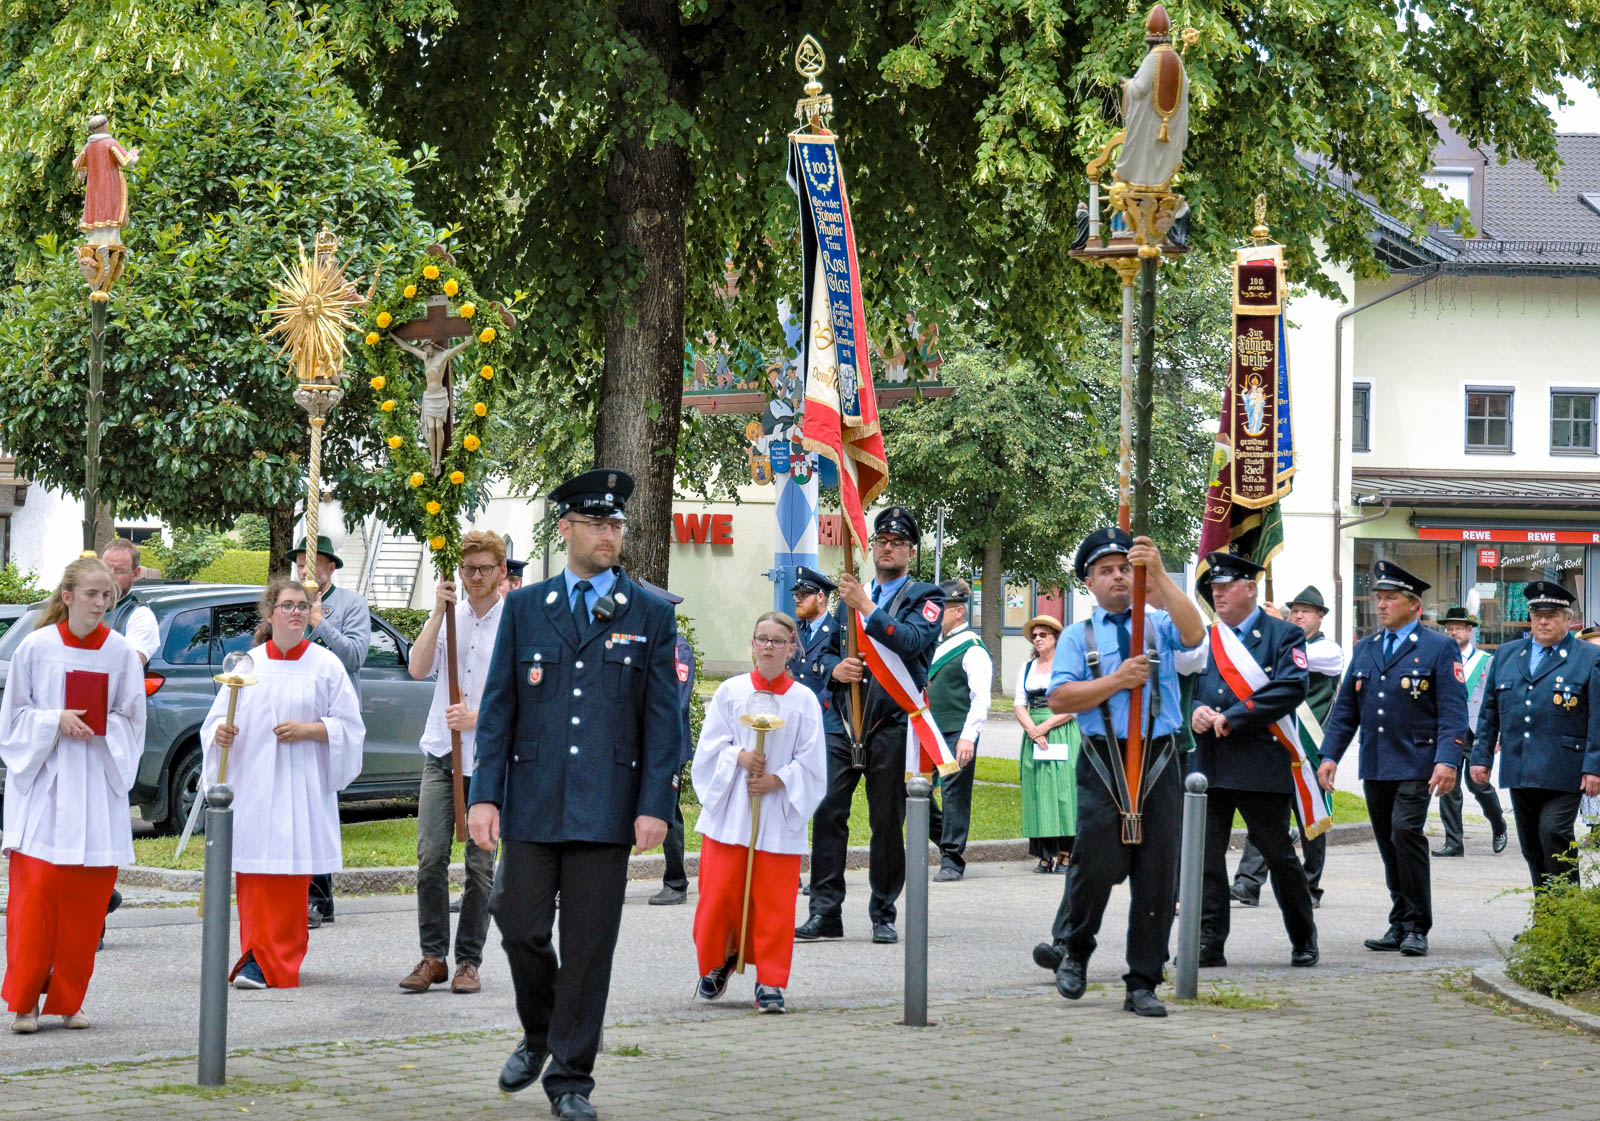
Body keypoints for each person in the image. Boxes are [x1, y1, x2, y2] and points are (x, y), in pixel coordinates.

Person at [466, 468, 679, 1121]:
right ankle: (541, 1032)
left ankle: (571, 1078)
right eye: (595, 523)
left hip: (607, 805)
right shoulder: (527, 607)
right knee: (518, 923)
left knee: (588, 945)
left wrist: (654, 803)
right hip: (532, 800)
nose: (607, 533)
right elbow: (499, 706)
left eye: (614, 523)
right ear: (567, 529)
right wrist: (484, 793)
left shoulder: (650, 611)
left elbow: (662, 718)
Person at [1046, 527, 1204, 1019]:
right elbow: (1059, 698)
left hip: (1159, 756)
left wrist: (1156, 571)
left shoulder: (1158, 622)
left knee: (1157, 873)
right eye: (1106, 571)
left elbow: (1196, 634)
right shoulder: (1077, 635)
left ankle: (1143, 980)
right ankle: (1075, 951)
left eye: (1124, 569)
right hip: (1103, 758)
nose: (1117, 578)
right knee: (1094, 864)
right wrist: (1116, 680)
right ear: (1088, 582)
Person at [1, 558, 143, 1034]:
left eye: (108, 596)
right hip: (47, 787)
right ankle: (24, 1002)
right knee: (35, 900)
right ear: (67, 596)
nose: (101, 604)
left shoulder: (121, 652)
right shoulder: (36, 648)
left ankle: (69, 999)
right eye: (92, 595)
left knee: (86, 904)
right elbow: (13, 719)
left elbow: (132, 720)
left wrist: (105, 726)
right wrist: (54, 719)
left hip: (96, 788)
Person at [201, 578, 364, 990]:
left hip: (300, 785)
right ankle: (254, 955)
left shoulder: (326, 666)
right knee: (255, 873)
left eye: (302, 606)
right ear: (270, 613)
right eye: (287, 605)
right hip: (257, 784)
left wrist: (311, 729)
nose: (295, 612)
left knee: (291, 877)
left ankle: (279, 962)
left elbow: (351, 727)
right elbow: (218, 720)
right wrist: (220, 735)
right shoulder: (247, 665)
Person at [797, 507, 943, 946]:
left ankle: (883, 911)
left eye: (898, 542)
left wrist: (867, 607)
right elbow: (818, 653)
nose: (887, 547)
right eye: (881, 540)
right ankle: (825, 912)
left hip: (891, 722)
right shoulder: (851, 597)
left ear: (911, 552)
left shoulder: (925, 596)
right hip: (844, 720)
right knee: (828, 815)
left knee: (885, 821)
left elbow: (913, 642)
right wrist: (832, 668)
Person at [1320, 560, 1467, 958]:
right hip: (1377, 762)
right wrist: (1330, 754)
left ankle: (1418, 925)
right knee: (1388, 842)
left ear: (1413, 605)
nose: (1381, 605)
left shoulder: (1439, 647)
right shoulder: (1366, 648)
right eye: (1378, 598)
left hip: (1418, 760)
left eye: (1389, 599)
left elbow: (1454, 710)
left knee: (1406, 833)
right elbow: (1346, 709)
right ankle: (1399, 919)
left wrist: (1448, 759)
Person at [691, 612, 826, 1013]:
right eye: (761, 639)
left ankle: (770, 980)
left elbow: (813, 761)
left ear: (791, 648)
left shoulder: (803, 701)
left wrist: (778, 780)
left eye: (777, 641)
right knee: (718, 897)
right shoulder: (731, 693)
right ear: (752, 645)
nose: (768, 647)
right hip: (732, 812)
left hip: (777, 814)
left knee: (773, 904)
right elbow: (710, 748)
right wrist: (740, 756)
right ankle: (718, 962)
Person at [1188, 554, 1317, 969]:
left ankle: (1303, 937)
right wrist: (1196, 711)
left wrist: (1234, 716)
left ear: (1250, 588)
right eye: (1214, 588)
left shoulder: (1283, 636)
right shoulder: (1205, 638)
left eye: (1226, 586)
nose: (1218, 594)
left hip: (1262, 761)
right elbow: (1184, 686)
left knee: (1278, 854)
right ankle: (1209, 943)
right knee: (1207, 857)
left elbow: (1290, 688)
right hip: (1210, 763)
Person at [399, 531, 506, 996]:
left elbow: (526, 695)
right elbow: (418, 669)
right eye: (468, 569)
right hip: (442, 754)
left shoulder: (515, 623)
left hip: (487, 761)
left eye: (484, 569)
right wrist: (438, 614)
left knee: (480, 867)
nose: (475, 577)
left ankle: (468, 961)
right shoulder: (451, 618)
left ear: (502, 572)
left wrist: (478, 717)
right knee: (429, 859)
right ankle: (432, 957)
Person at [1471, 582, 1600, 890]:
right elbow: (1489, 711)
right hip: (1521, 764)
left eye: (1552, 615)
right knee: (1530, 843)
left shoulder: (1587, 657)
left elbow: (1597, 716)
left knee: (1553, 832)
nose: (1543, 621)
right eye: (1537, 614)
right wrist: (1481, 756)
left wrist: (1594, 766)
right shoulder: (1506, 655)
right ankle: (1546, 919)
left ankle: (1565, 916)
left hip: (1565, 767)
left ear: (1568, 619)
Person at [1231, 584, 1344, 908]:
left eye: (1305, 612)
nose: (1297, 616)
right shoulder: (1281, 644)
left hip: (1309, 750)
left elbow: (1301, 659)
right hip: (1278, 745)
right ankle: (1248, 883)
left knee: (1312, 820)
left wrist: (1274, 628)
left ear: (1320, 618)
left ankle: (1310, 886)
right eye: (1293, 611)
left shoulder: (1329, 650)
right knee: (1265, 818)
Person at [288, 534, 371, 929]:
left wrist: (319, 624)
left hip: (331, 721)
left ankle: (318, 897)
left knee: (318, 808)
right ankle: (301, 892)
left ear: (330, 567)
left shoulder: (351, 605)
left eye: (311, 562)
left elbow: (355, 656)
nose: (304, 569)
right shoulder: (290, 603)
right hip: (294, 717)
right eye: (300, 562)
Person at [924, 579, 992, 883]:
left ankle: (952, 857)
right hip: (931, 731)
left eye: (943, 609)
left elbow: (981, 698)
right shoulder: (936, 645)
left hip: (956, 731)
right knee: (914, 790)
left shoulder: (973, 648)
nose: (937, 615)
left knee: (954, 795)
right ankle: (945, 841)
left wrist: (969, 736)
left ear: (959, 612)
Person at [1434, 605, 1508, 857]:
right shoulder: (1439, 660)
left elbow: (1498, 701)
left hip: (1478, 731)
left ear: (1470, 630)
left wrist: (1499, 735)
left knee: (1478, 784)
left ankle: (1499, 825)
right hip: (1448, 731)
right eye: (1449, 628)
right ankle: (1454, 842)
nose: (1453, 632)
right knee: (1448, 786)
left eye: (1458, 627)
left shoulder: (1486, 662)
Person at [787, 566, 841, 898]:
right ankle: (790, 870)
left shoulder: (837, 632)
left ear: (820, 598)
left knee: (822, 805)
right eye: (796, 595)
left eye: (803, 595)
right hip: (793, 728)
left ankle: (820, 874)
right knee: (789, 801)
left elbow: (834, 683)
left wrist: (809, 711)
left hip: (824, 727)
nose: (798, 600)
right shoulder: (795, 633)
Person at [643, 579, 697, 907]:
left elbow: (676, 701)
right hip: (636, 746)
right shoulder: (639, 643)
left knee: (668, 812)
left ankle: (676, 882)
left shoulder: (679, 648)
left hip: (666, 746)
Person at [1015, 616, 1079, 878]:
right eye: (1035, 635)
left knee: (1064, 791)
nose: (1038, 639)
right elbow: (1020, 704)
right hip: (1034, 733)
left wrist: (1046, 727)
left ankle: (1067, 852)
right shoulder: (1027, 667)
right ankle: (1044, 853)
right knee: (1038, 791)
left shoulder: (1068, 666)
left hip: (1061, 728)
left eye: (1044, 634)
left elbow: (1075, 704)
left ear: (1056, 638)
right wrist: (1033, 729)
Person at [100, 539, 159, 667]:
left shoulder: (140, 616)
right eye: (105, 568)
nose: (109, 576)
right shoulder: (82, 608)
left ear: (135, 573)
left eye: (119, 571)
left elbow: (128, 666)